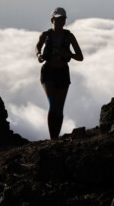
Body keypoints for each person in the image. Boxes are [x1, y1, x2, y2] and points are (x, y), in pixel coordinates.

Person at [35, 7, 83, 139]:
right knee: (53, 104)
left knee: (59, 107)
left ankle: (55, 138)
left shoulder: (69, 36)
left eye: (62, 19)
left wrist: (68, 54)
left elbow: (80, 57)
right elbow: (37, 46)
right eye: (57, 19)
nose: (59, 21)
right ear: (52, 20)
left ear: (65, 20)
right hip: (48, 71)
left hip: (62, 72)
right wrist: (39, 55)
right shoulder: (45, 35)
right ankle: (53, 138)